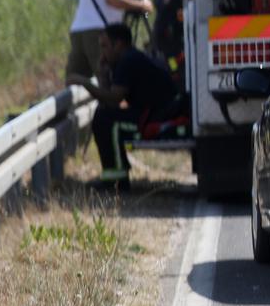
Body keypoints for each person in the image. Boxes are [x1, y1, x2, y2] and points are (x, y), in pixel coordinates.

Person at [69, 22, 184, 185]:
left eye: (105, 46)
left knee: (105, 120)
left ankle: (116, 179)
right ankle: (117, 172)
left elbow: (113, 99)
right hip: (153, 113)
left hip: (158, 117)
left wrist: (85, 83)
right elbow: (111, 103)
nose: (102, 52)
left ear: (119, 45)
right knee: (105, 116)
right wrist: (103, 75)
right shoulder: (127, 58)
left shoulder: (128, 60)